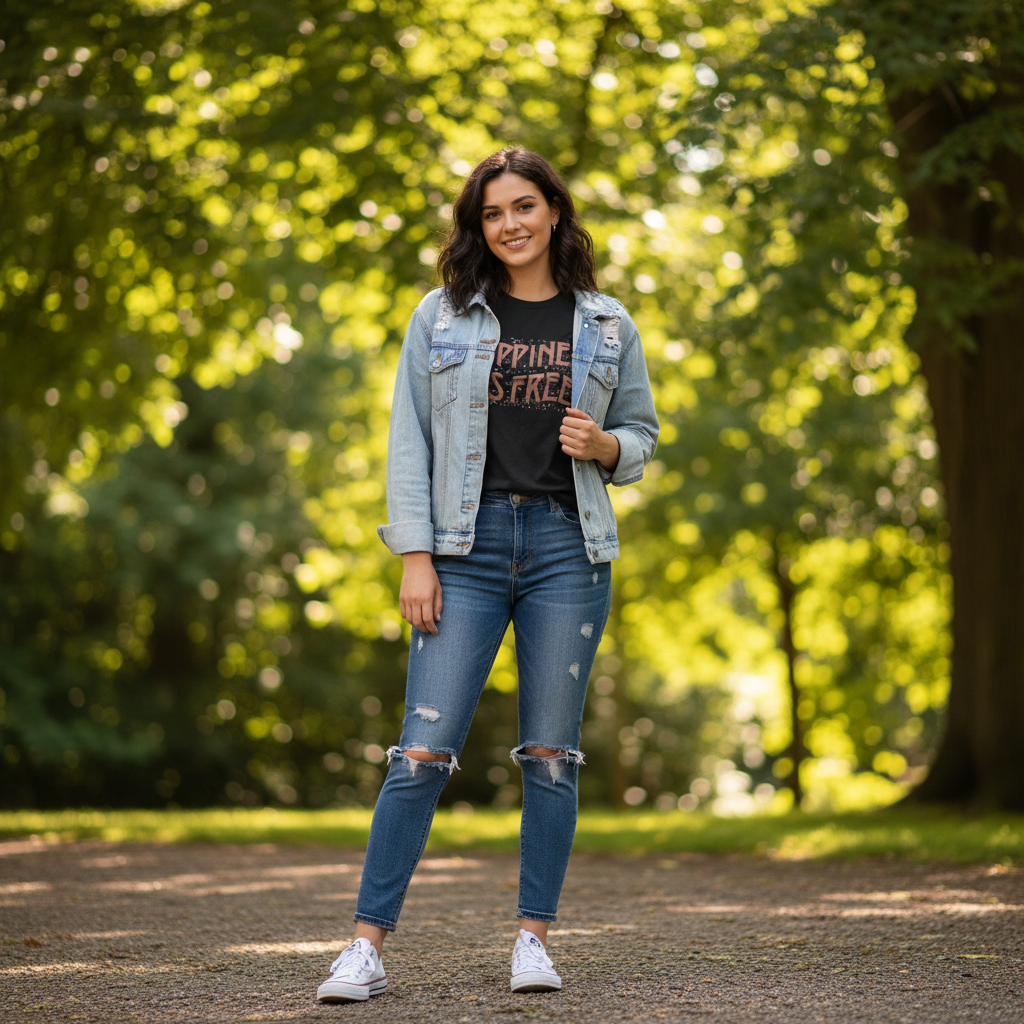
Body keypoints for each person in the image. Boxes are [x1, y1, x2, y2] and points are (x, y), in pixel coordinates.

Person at [316, 148, 658, 1004]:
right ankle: (363, 948)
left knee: (551, 755)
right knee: (421, 752)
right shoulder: (441, 315)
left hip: (567, 550)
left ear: (554, 211)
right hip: (462, 552)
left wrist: (606, 447)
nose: (510, 224)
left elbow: (641, 435)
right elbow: (409, 440)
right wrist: (416, 556)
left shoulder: (607, 324)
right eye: (492, 213)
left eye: (524, 206)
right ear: (479, 226)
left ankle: (532, 941)